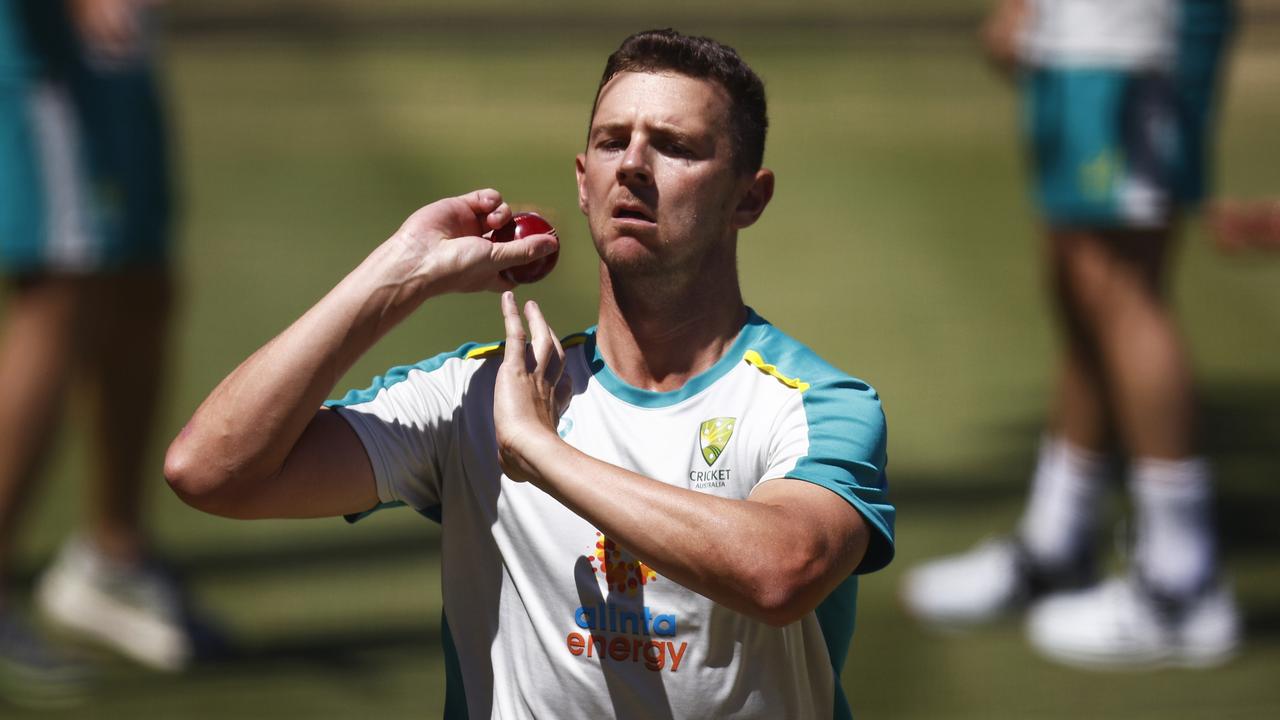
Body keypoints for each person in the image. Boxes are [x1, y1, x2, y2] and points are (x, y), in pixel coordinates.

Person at [165, 28, 895, 718]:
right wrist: (396, 275)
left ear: (749, 197)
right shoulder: (478, 396)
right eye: (613, 142)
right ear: (584, 182)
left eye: (674, 146)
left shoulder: (814, 405)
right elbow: (211, 471)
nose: (633, 165)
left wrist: (541, 452)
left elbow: (782, 571)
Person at [902, 0, 1239, 670]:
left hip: (1130, 30)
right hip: (1088, 29)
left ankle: (1182, 583)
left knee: (1121, 283)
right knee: (1081, 281)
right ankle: (1061, 541)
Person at [0, 0, 194, 703]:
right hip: (38, 40)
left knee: (141, 279)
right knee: (60, 284)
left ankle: (110, 561)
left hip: (114, 50)